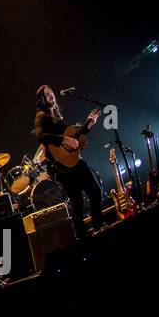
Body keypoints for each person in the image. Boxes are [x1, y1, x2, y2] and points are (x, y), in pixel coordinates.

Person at [32, 85, 104, 238]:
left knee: (93, 193)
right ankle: (82, 237)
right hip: (62, 167)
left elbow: (73, 137)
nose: (51, 94)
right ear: (42, 99)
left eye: (51, 91)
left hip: (73, 161)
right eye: (47, 94)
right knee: (78, 202)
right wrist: (63, 139)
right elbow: (41, 136)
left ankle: (98, 228)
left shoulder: (57, 115)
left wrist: (88, 125)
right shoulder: (41, 117)